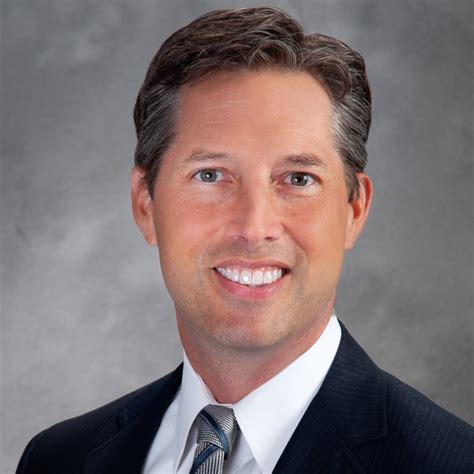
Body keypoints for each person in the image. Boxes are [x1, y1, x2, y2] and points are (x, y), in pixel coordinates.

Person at [17, 7, 473, 474]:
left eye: (298, 178)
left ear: (354, 210)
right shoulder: (58, 460)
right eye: (210, 175)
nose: (254, 228)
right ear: (145, 204)